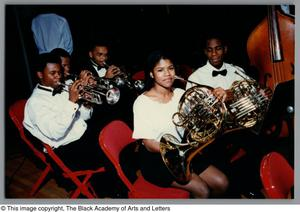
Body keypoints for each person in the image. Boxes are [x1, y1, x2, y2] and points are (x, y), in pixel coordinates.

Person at [132, 50, 229, 198]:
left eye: (170, 68)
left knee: (222, 183)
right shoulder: (142, 102)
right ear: (151, 74)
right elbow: (149, 143)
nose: (167, 74)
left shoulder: (179, 93)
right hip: (157, 159)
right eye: (160, 70)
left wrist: (213, 101)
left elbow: (194, 123)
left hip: (185, 151)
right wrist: (179, 149)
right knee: (202, 190)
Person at [186, 33, 271, 197]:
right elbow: (193, 113)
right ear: (205, 52)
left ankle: (253, 184)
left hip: (242, 125)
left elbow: (252, 91)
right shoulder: (195, 77)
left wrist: (261, 92)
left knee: (260, 143)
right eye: (210, 50)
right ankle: (232, 193)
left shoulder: (236, 70)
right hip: (217, 132)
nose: (214, 54)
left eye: (218, 49)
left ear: (225, 49)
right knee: (221, 158)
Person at [22, 52, 114, 195]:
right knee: (111, 149)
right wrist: (71, 102)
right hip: (66, 151)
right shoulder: (35, 103)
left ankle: (109, 184)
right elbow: (56, 132)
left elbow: (84, 117)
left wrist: (86, 102)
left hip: (82, 135)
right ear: (40, 75)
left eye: (59, 72)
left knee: (112, 128)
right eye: (53, 73)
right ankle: (113, 189)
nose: (58, 76)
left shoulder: (61, 89)